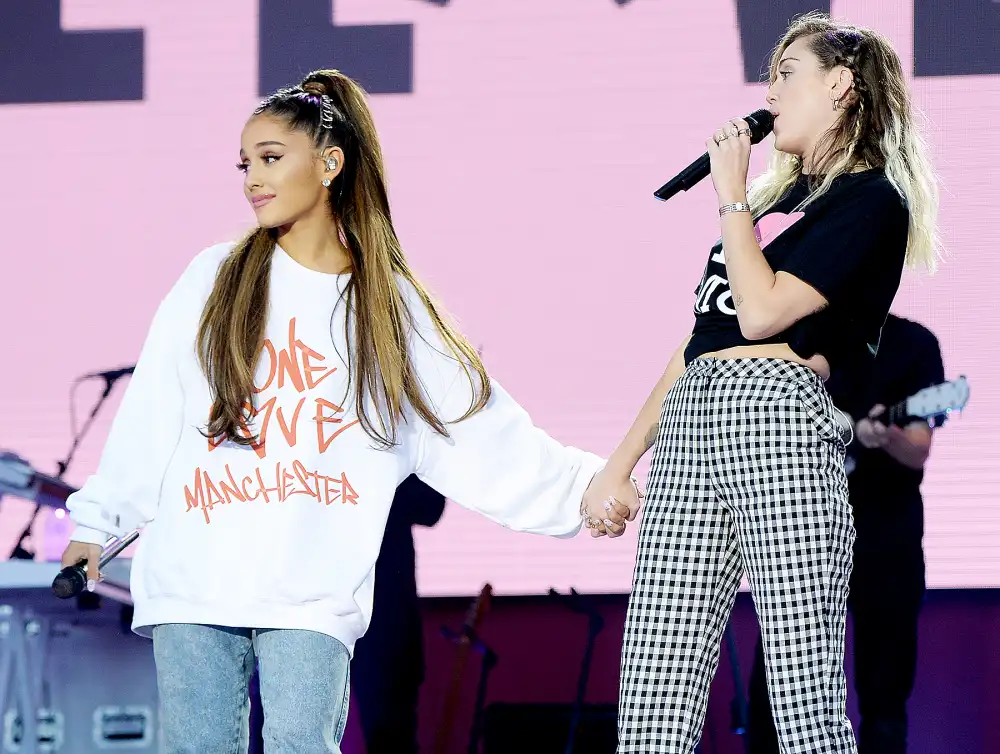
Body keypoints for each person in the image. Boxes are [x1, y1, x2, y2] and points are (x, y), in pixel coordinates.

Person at [60, 69, 639, 754]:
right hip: (195, 579)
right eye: (246, 163)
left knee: (304, 742)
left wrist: (584, 488)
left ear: (330, 163)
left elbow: (480, 431)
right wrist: (99, 525)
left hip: (310, 588)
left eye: (272, 158)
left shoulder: (390, 309)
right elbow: (152, 413)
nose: (252, 178)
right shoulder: (212, 278)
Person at [580, 12, 939, 753]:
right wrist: (618, 466)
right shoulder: (771, 207)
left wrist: (732, 196)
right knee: (654, 684)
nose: (768, 93)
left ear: (840, 87)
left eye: (785, 74)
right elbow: (700, 343)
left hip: (776, 419)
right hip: (692, 422)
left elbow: (762, 312)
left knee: (802, 695)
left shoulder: (870, 202)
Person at [746, 313, 945, 754]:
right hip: (802, 537)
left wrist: (884, 435)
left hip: (886, 536)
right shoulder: (796, 338)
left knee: (885, 693)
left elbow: (918, 449)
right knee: (777, 685)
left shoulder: (913, 343)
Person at [350, 474, 445, 753]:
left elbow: (431, 506)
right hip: (321, 606)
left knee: (390, 729)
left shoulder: (400, 441)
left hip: (387, 616)